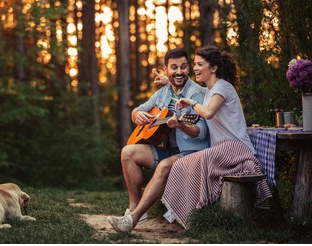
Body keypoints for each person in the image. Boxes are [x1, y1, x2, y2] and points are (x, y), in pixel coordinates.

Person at [161, 45, 272, 229]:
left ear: (213, 68)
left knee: (200, 159)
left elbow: (208, 112)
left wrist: (191, 102)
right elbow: (192, 87)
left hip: (237, 149)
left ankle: (194, 212)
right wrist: (168, 80)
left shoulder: (223, 87)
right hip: (222, 151)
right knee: (181, 163)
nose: (195, 68)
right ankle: (185, 212)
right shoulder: (208, 92)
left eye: (199, 64)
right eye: (194, 64)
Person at [107, 47, 210, 233]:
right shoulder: (162, 93)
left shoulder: (197, 94)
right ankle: (135, 208)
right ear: (166, 70)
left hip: (192, 154)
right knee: (128, 152)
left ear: (188, 68)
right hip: (170, 151)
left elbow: (201, 132)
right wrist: (137, 114)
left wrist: (181, 125)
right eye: (174, 67)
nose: (179, 72)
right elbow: (138, 109)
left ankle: (132, 220)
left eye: (184, 67)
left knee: (164, 165)